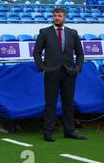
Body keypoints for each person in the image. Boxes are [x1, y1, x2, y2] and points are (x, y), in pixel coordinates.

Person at [33, 8, 86, 142]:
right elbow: (36, 52)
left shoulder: (73, 33)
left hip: (69, 73)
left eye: (60, 16)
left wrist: (78, 68)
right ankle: (48, 132)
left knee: (68, 103)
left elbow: (80, 53)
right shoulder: (45, 32)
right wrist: (42, 68)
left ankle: (69, 131)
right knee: (50, 103)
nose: (57, 18)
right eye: (55, 16)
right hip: (51, 73)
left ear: (64, 18)